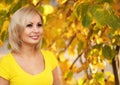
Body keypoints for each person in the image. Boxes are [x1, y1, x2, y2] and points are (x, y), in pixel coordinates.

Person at [0, 6, 62, 85]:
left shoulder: (49, 57)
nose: (36, 30)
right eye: (29, 25)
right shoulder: (6, 63)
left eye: (39, 25)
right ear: (17, 30)